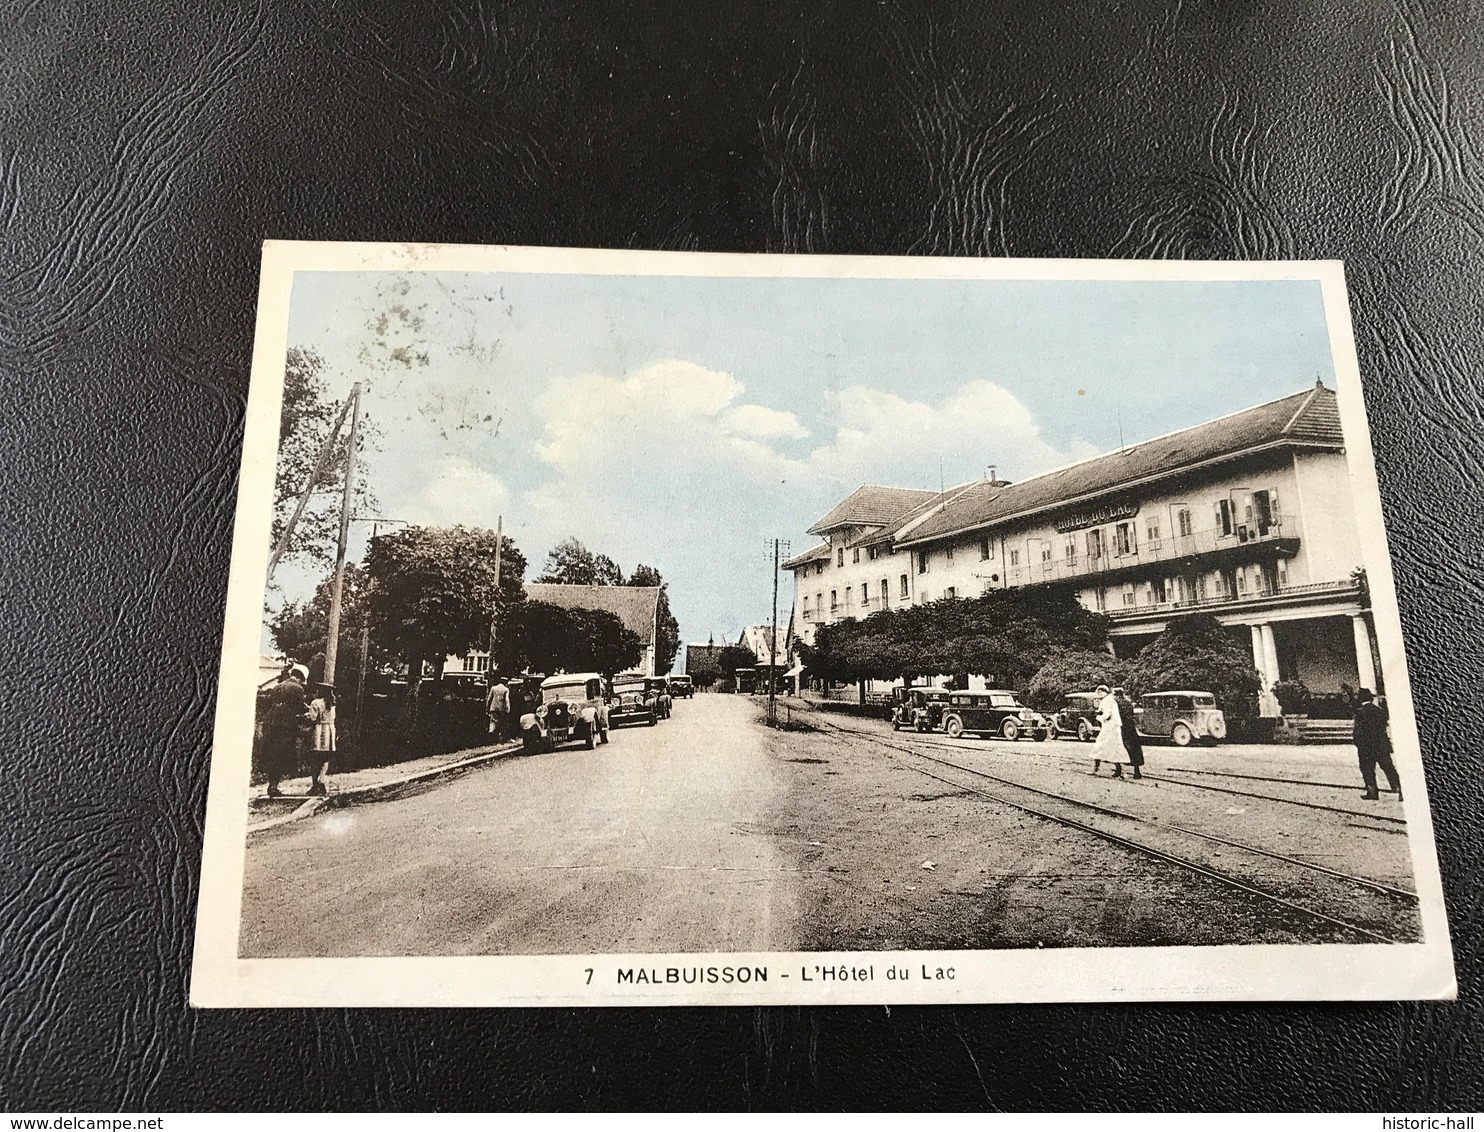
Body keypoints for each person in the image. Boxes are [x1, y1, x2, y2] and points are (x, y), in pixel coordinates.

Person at [256, 663, 312, 797]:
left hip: (270, 725)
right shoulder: (297, 688)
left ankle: (272, 784)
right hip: (285, 727)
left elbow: (268, 704)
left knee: (272, 755)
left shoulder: (278, 687)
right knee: (282, 755)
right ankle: (274, 786)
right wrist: (311, 709)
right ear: (302, 678)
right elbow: (299, 707)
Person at [1353, 687, 1401, 801]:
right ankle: (1399, 789)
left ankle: (1372, 792)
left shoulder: (1359, 712)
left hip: (1366, 747)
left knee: (1367, 769)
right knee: (1389, 768)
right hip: (1381, 745)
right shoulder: (1380, 710)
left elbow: (1358, 731)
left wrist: (1358, 743)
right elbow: (1383, 727)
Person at [1089, 684, 1129, 777]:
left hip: (1108, 728)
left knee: (1099, 746)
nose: (1098, 695)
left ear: (1103, 692)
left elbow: (1106, 715)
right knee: (1115, 748)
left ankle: (1096, 769)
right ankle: (1120, 771)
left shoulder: (1105, 701)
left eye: (1099, 692)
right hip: (1115, 727)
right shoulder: (1112, 700)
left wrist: (1098, 717)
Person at [307, 682, 336, 796]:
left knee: (315, 758)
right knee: (325, 758)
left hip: (319, 731)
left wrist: (305, 715)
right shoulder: (332, 704)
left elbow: (312, 717)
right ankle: (322, 781)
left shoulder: (316, 703)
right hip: (329, 731)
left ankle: (315, 785)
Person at [1113, 686, 1144, 780]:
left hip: (1120, 727)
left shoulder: (1115, 703)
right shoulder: (1128, 702)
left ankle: (1118, 770)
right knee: (1133, 747)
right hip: (1130, 727)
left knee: (1118, 747)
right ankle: (1136, 771)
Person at [486, 671, 512, 740]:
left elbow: (489, 699)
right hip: (501, 709)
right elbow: (506, 700)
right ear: (506, 682)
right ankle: (500, 738)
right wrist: (508, 708)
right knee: (501, 723)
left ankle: (490, 735)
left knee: (492, 722)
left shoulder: (493, 688)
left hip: (493, 708)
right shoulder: (506, 689)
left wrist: (487, 707)